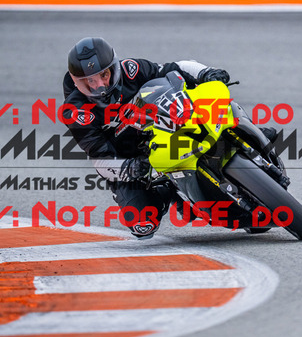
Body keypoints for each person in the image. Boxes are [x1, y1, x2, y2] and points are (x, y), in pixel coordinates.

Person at [62, 37, 231, 239]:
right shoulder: (76, 112)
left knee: (212, 95)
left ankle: (244, 134)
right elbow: (99, 158)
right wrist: (129, 168)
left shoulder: (130, 70)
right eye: (90, 81)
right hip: (131, 160)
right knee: (142, 225)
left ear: (113, 68)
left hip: (165, 130)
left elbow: (173, 68)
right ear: (77, 82)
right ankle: (169, 191)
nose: (100, 85)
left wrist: (205, 72)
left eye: (104, 75)